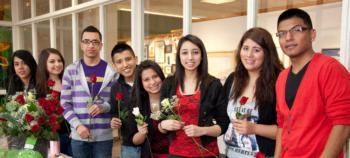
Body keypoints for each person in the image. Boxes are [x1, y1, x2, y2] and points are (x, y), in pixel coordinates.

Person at [274, 8, 350, 158]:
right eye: (282, 34)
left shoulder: (330, 69)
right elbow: (282, 125)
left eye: (297, 30)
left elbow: (343, 123)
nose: (288, 37)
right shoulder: (282, 77)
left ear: (312, 34)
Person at [158, 34, 229, 158]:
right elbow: (161, 122)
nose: (190, 57)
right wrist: (163, 125)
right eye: (185, 53)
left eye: (195, 52)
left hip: (206, 153)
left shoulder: (213, 85)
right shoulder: (168, 84)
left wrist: (203, 130)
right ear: (179, 56)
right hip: (176, 153)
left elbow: (223, 125)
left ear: (202, 56)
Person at [222, 27, 283, 158]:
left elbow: (288, 130)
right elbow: (222, 119)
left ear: (267, 53)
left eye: (256, 50)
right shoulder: (233, 79)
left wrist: (254, 128)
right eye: (245, 48)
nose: (249, 55)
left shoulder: (278, 82)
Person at [61, 25, 118, 158]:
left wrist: (103, 107)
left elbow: (115, 101)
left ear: (101, 45)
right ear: (81, 44)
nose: (91, 45)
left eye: (95, 42)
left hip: (104, 137)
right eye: (87, 41)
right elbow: (64, 104)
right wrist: (78, 126)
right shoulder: (71, 70)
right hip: (79, 136)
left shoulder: (111, 71)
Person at [36, 48, 72, 156]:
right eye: (52, 61)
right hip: (52, 138)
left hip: (73, 135)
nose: (57, 64)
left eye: (59, 60)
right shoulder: (40, 88)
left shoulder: (69, 82)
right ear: (44, 64)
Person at [129, 60, 169, 158]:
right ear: (141, 83)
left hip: (175, 154)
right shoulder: (137, 106)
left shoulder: (172, 98)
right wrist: (142, 133)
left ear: (161, 76)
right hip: (150, 155)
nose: (152, 82)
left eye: (155, 76)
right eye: (146, 79)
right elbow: (134, 140)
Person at [109, 42, 140, 157]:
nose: (125, 64)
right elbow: (114, 112)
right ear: (114, 66)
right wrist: (113, 121)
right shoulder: (115, 88)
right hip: (128, 145)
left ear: (136, 59)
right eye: (119, 62)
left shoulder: (147, 80)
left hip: (151, 142)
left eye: (128, 59)